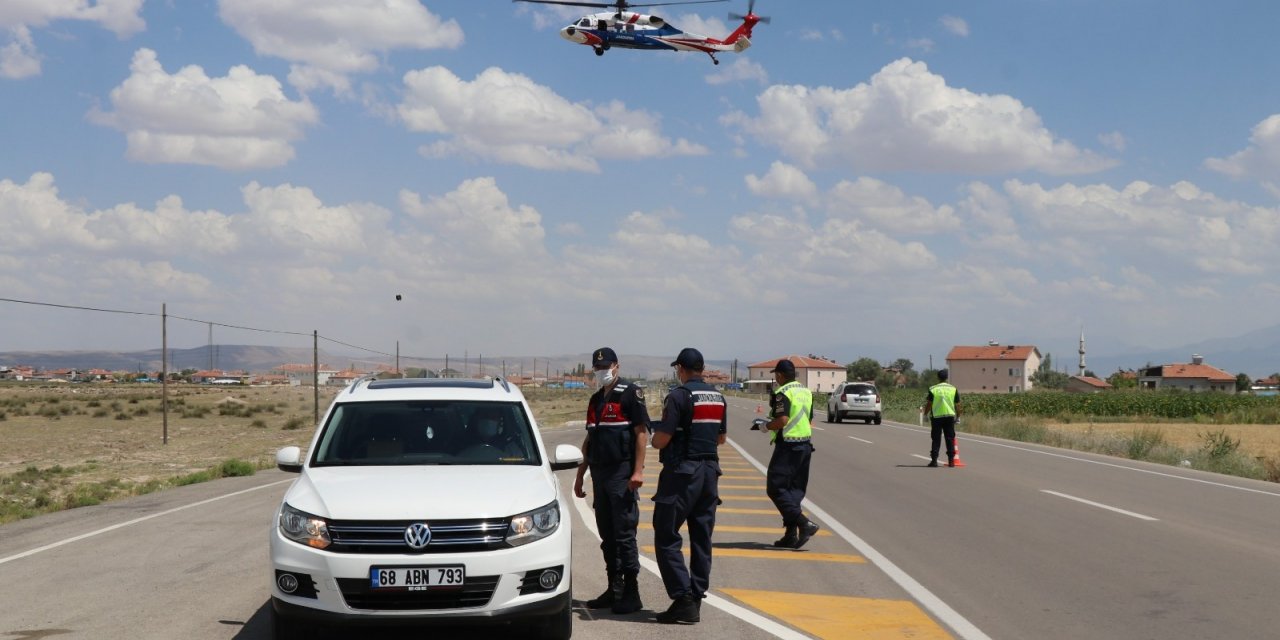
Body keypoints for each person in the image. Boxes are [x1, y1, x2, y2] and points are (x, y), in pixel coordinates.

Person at [650, 347, 726, 624]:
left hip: (683, 474)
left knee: (666, 534)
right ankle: (695, 597)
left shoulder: (679, 396)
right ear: (702, 369)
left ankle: (682, 597)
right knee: (701, 538)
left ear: (681, 369)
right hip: (709, 474)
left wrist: (654, 436)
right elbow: (721, 439)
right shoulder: (718, 397)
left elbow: (662, 439)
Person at [573, 347, 649, 614]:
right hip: (600, 474)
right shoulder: (596, 400)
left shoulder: (630, 393)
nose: (601, 371)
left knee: (625, 534)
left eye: (606, 366)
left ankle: (631, 591)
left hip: (621, 474)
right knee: (607, 534)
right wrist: (580, 474)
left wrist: (638, 471)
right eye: (597, 367)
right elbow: (590, 439)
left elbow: (641, 434)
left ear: (616, 366)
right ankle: (613, 587)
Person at [763, 359, 820, 549]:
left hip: (788, 446)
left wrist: (765, 426)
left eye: (776, 375)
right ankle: (791, 534)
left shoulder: (782, 393)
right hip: (805, 446)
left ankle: (805, 524)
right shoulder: (806, 392)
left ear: (779, 375)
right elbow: (809, 418)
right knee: (794, 492)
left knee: (776, 488)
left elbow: (783, 420)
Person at [925, 369, 961, 467]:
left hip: (936, 417)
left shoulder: (933, 389)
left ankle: (934, 461)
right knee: (950, 438)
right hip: (949, 417)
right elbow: (958, 405)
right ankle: (951, 461)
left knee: (936, 439)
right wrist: (958, 417)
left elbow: (929, 403)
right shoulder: (953, 389)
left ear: (938, 377)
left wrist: (925, 414)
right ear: (947, 378)